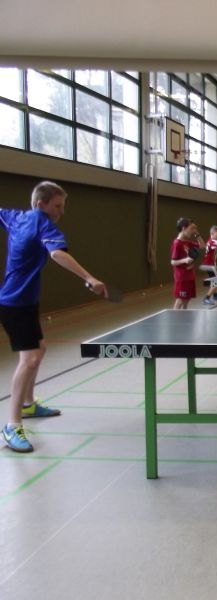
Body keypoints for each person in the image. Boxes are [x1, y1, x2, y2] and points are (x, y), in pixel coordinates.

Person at [1, 181, 108, 453]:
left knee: (40, 349)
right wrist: (90, 278)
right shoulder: (43, 224)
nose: (61, 211)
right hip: (15, 303)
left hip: (24, 302)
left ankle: (28, 405)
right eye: (58, 206)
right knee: (30, 359)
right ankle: (12, 425)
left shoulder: (16, 217)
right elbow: (58, 253)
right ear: (41, 205)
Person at [170, 217, 203, 309]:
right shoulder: (177, 243)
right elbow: (173, 262)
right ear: (184, 228)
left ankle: (185, 315)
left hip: (190, 275)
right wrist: (184, 260)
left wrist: (197, 234)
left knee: (187, 298)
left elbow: (202, 245)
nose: (193, 231)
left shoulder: (187, 242)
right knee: (180, 300)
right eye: (191, 229)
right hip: (182, 277)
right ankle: (174, 317)